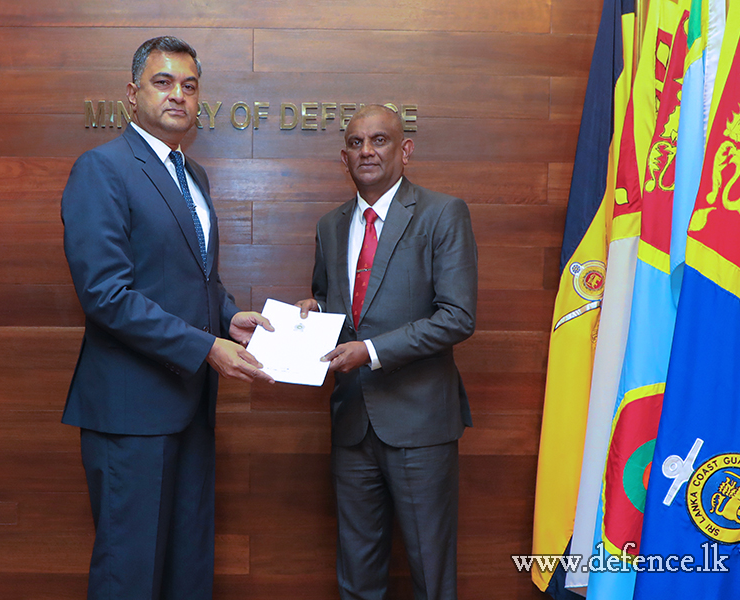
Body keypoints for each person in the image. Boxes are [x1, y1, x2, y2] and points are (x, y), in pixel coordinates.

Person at [60, 36, 274, 600]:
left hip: (191, 408)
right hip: (130, 412)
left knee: (186, 569)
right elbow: (106, 293)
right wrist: (206, 347)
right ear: (132, 95)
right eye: (163, 82)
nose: (178, 95)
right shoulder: (102, 170)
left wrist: (228, 318)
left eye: (189, 85)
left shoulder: (193, 176)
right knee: (128, 575)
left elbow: (193, 279)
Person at [296, 104, 478, 600]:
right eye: (356, 144)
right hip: (353, 423)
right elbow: (336, 307)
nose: (367, 151)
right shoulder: (330, 225)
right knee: (357, 576)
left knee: (430, 573)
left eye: (379, 140)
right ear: (343, 158)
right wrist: (314, 310)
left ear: (405, 150)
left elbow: (458, 316)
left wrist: (371, 351)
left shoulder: (443, 213)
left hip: (420, 424)